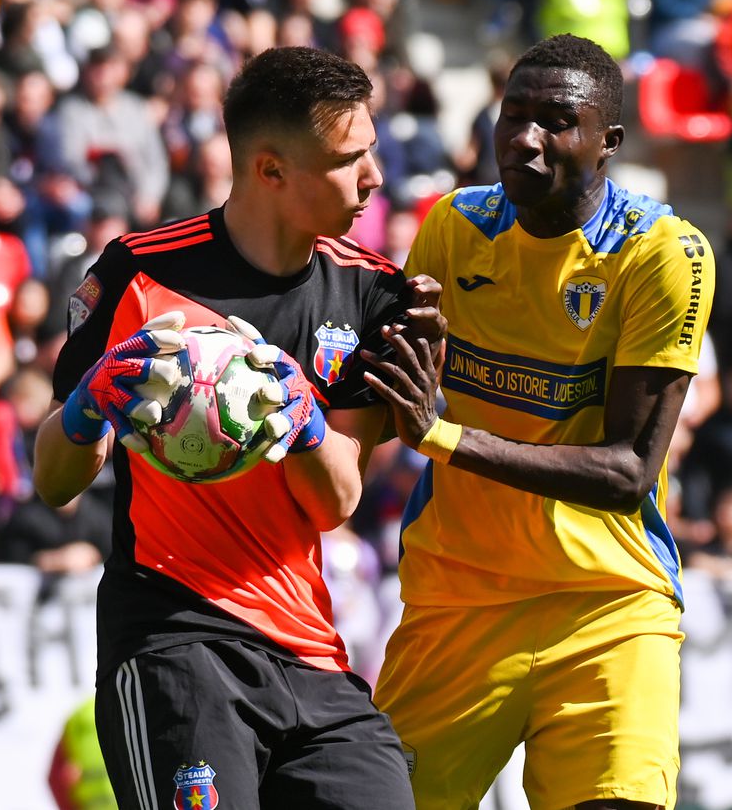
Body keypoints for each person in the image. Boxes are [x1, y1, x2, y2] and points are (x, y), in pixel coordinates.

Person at [32, 46, 445, 808]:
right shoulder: (137, 274)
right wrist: (90, 399)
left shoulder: (374, 294)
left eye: (373, 153)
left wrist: (306, 422)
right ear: (270, 169)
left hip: (312, 655)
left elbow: (336, 502)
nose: (374, 179)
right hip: (173, 640)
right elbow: (53, 478)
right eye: (349, 159)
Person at [363, 34, 716, 809]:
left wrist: (444, 436)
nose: (525, 137)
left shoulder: (661, 253)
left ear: (608, 142)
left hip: (607, 602)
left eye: (556, 120)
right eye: (513, 115)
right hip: (459, 597)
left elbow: (628, 472)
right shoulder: (454, 227)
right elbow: (390, 397)